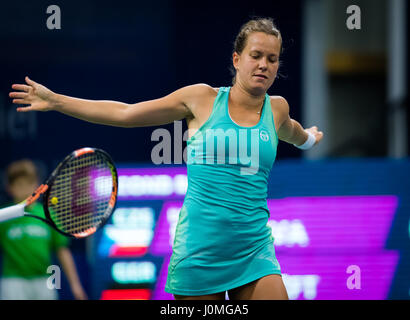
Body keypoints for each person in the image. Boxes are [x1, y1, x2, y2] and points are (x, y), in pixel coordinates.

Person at [9, 17, 323, 300]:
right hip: (200, 251)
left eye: (272, 59)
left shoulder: (277, 107)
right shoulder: (201, 99)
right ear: (237, 59)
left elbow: (292, 131)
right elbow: (126, 113)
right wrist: (57, 101)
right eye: (256, 56)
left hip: (255, 250)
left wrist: (309, 138)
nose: (264, 65)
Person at [0, 159, 88, 300]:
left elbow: (62, 251)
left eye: (28, 184)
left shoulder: (47, 214)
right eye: (19, 185)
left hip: (44, 280)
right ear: (10, 188)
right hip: (13, 281)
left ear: (36, 185)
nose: (24, 190)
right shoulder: (4, 217)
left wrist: (75, 285)